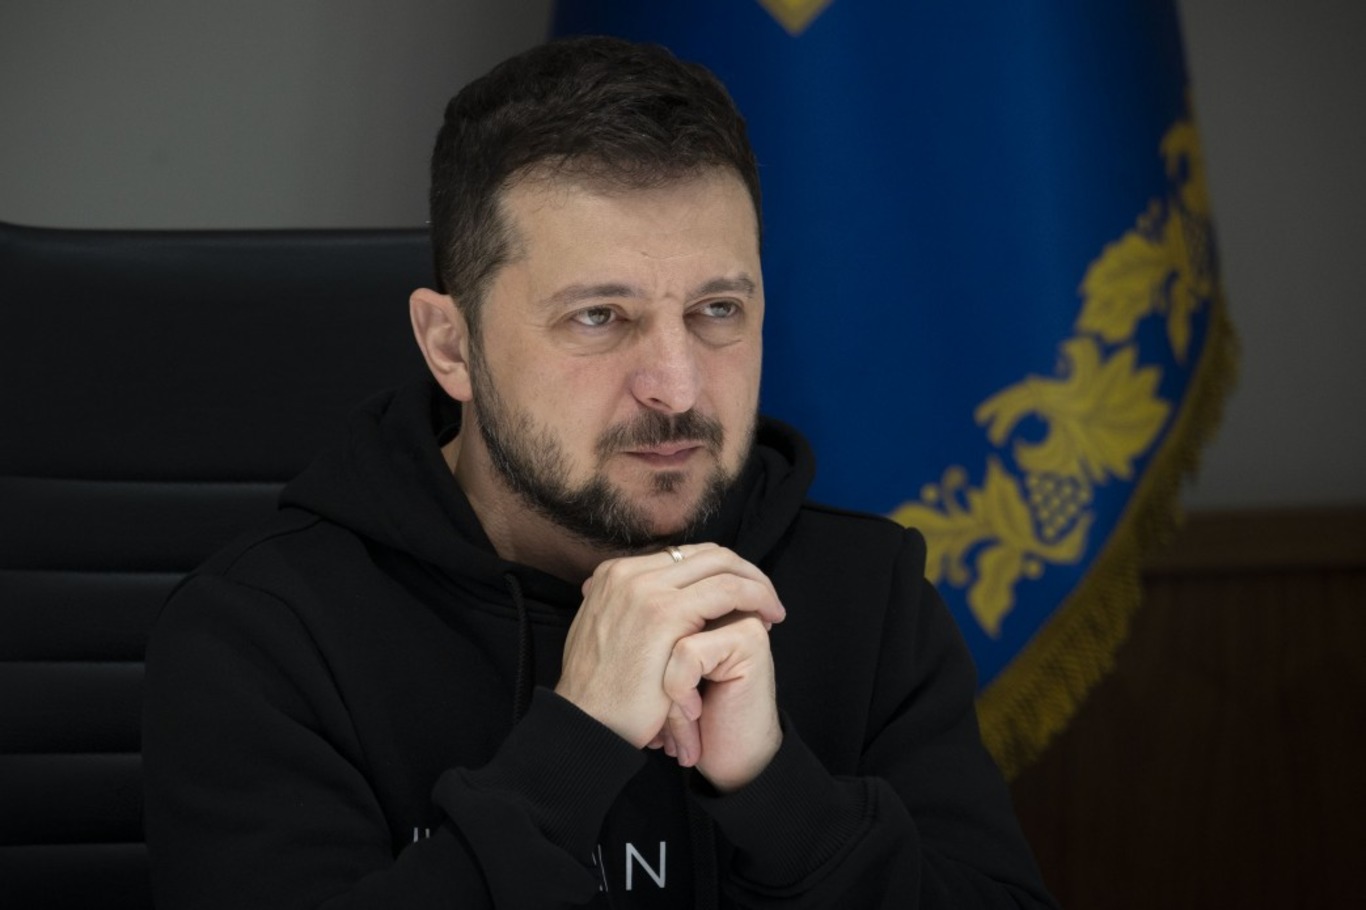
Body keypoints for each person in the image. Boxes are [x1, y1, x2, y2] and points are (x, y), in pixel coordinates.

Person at [143, 36, 1057, 909]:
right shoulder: (263, 633)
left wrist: (778, 794)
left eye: (717, 309)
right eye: (598, 318)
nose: (676, 386)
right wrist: (572, 752)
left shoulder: (870, 596)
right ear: (450, 345)